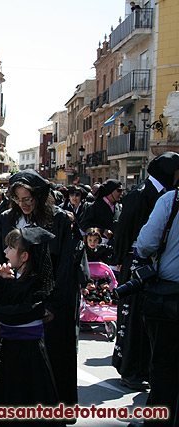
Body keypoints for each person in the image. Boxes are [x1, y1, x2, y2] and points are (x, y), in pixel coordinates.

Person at [0, 169, 88, 407]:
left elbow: (65, 268)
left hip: (47, 306)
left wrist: (50, 305)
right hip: (13, 303)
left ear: (39, 196)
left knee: (47, 374)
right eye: (18, 199)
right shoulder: (5, 219)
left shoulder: (58, 220)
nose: (22, 204)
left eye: (27, 199)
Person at [0, 227, 63, 426]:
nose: (5, 252)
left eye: (10, 248)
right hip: (9, 349)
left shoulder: (38, 286)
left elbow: (23, 311)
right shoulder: (11, 277)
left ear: (24, 256)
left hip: (28, 355)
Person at [112, 152, 179, 392]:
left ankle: (141, 368)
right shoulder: (142, 194)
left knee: (145, 321)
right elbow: (125, 231)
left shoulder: (164, 195)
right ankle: (130, 370)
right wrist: (122, 261)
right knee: (132, 321)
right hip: (138, 265)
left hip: (153, 268)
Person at [136, 186, 179, 427]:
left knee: (163, 365)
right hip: (169, 297)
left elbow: (145, 245)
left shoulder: (171, 200)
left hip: (169, 297)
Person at [79, 179, 123, 244]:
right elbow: (84, 225)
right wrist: (102, 230)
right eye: (119, 190)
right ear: (110, 191)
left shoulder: (119, 207)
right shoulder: (94, 206)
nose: (121, 193)